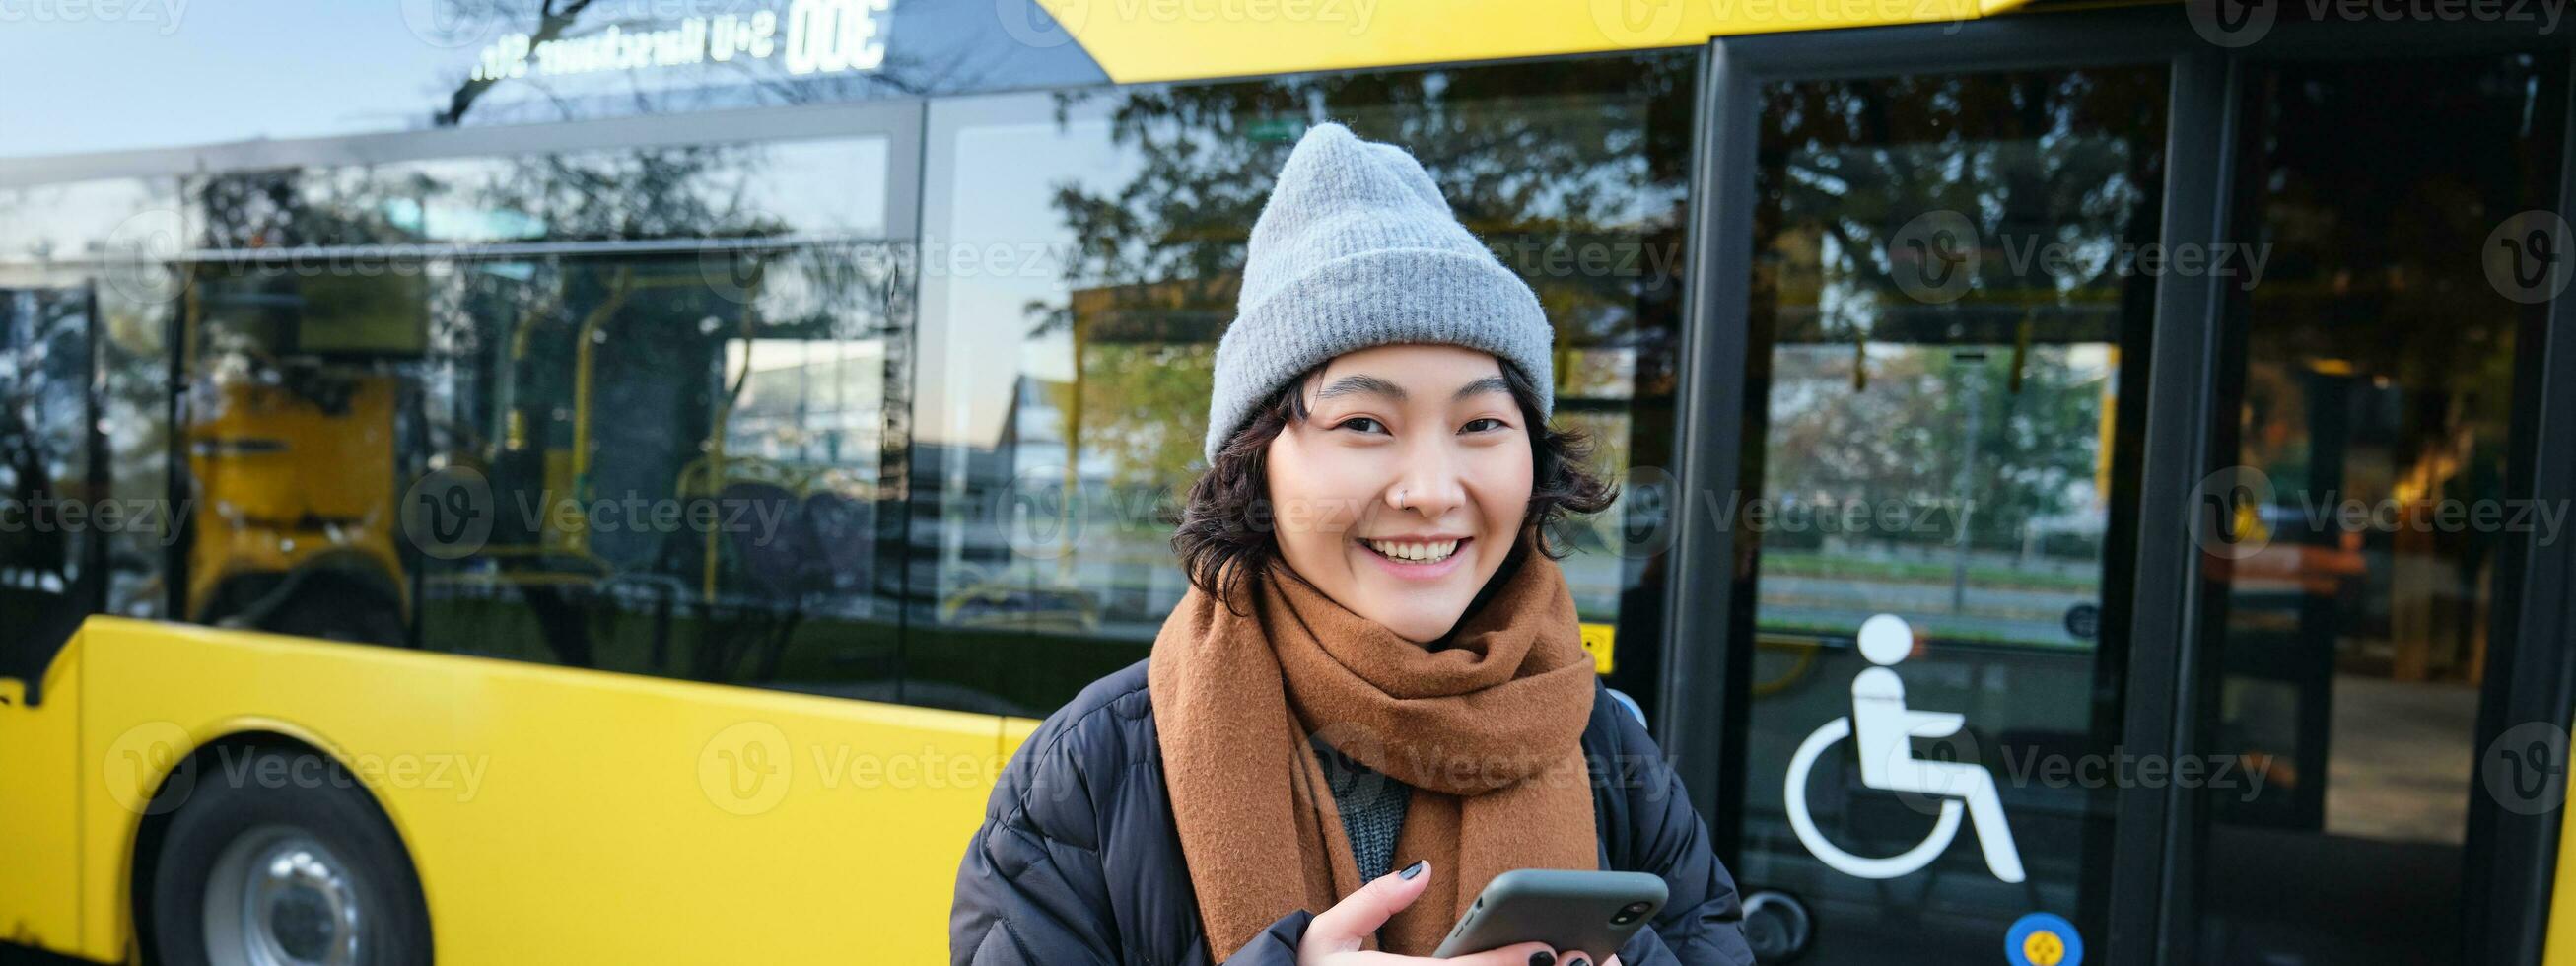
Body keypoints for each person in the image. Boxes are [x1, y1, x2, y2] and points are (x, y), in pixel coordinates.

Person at [949, 120, 1756, 966]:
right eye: (1364, 423)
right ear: (1254, 466)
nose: (1432, 490)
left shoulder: (1602, 741)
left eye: (1481, 423)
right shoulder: (1091, 773)